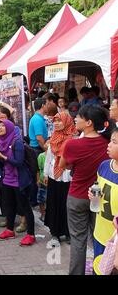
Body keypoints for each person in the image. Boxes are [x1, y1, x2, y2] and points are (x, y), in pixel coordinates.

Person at [60, 105, 112, 275]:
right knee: (100, 239)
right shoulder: (107, 144)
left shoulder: (72, 145)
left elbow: (64, 166)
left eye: (79, 116)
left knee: (78, 241)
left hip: (77, 196)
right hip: (100, 197)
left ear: (88, 122)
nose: (75, 118)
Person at [0, 119, 36, 246]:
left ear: (9, 128)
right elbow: (2, 164)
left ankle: (31, 235)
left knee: (25, 207)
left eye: (3, 125)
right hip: (7, 180)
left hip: (19, 180)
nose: (0, 128)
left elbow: (19, 162)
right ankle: (10, 230)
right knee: (9, 206)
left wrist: (2, 156)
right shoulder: (1, 143)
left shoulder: (17, 142)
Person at [43, 112, 77, 246]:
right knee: (54, 204)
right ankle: (55, 233)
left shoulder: (74, 139)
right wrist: (45, 174)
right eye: (55, 121)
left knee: (68, 205)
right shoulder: (53, 138)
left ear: (67, 122)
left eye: (59, 121)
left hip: (69, 177)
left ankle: (69, 233)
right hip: (54, 176)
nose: (56, 123)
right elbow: (49, 158)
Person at [91, 128, 118, 275]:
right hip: (100, 233)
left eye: (114, 142)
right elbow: (98, 189)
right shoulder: (104, 166)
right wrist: (93, 195)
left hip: (115, 241)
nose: (109, 145)